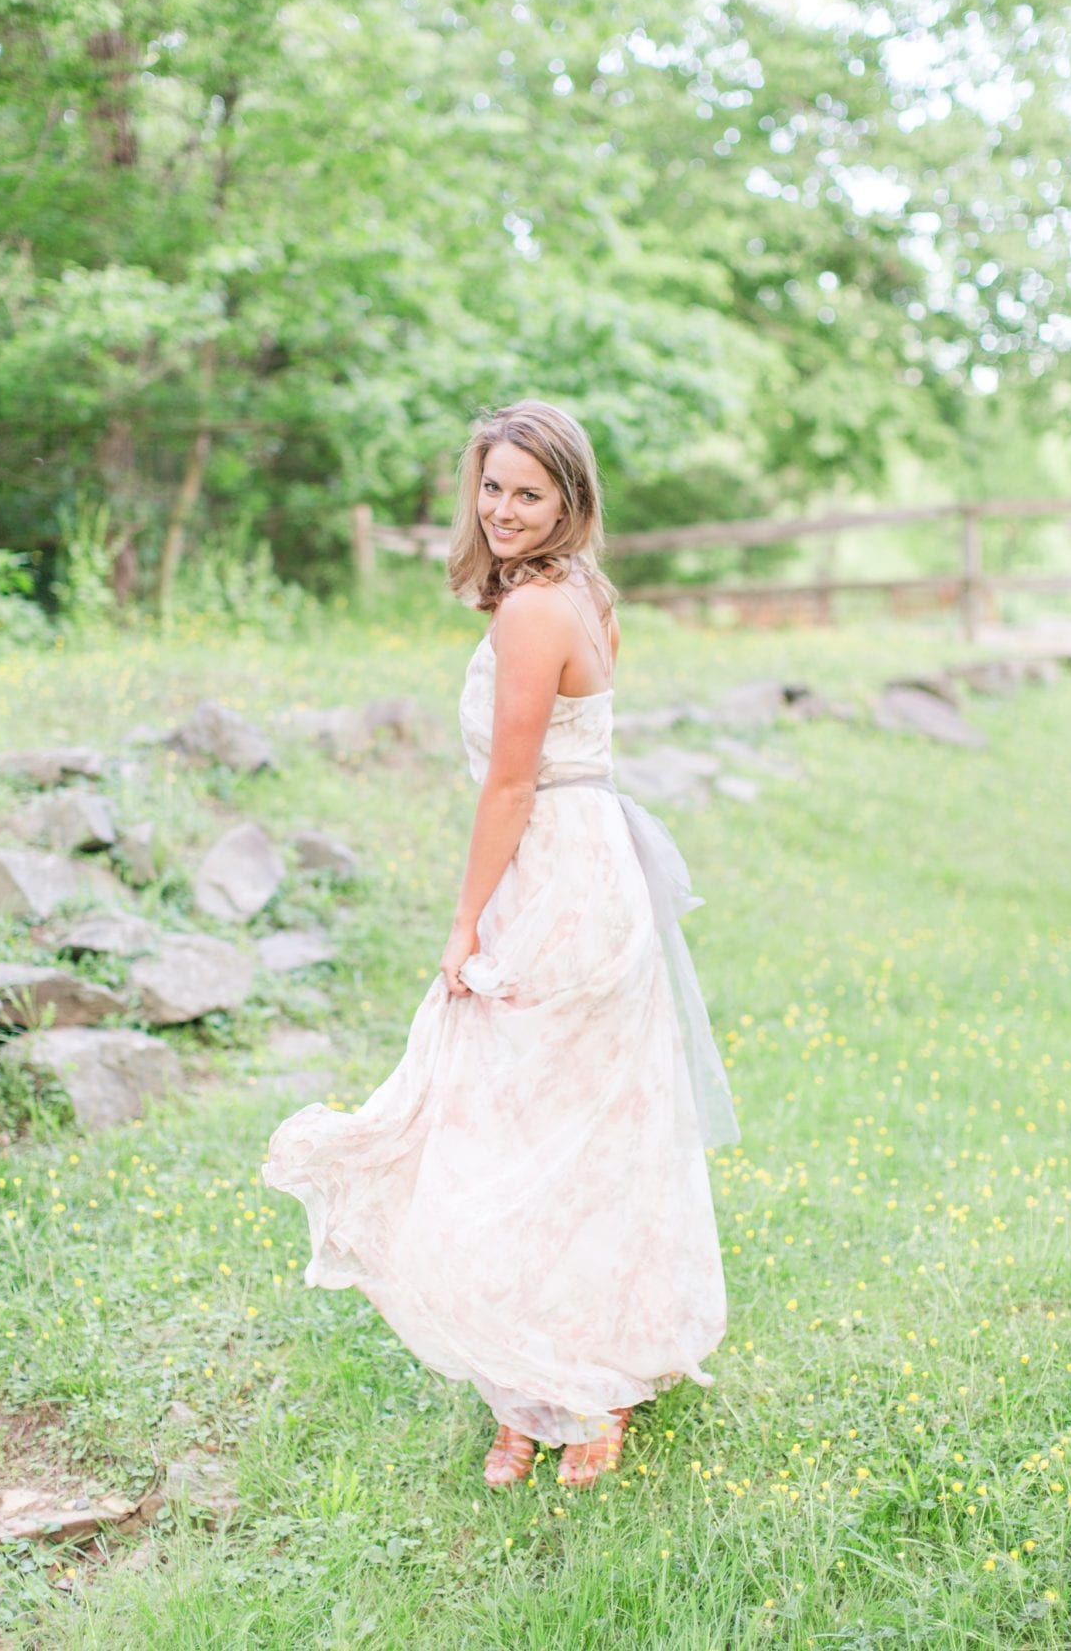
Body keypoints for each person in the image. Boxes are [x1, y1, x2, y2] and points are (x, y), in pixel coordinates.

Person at [261, 399, 740, 1491]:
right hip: (589, 864)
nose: (506, 509)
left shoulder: (539, 611)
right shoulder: (576, 594)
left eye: (530, 492)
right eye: (491, 488)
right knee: (553, 1130)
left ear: (571, 500)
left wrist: (467, 919)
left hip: (557, 882)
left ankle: (589, 1386)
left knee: (538, 1136)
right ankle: (527, 1387)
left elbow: (515, 780)